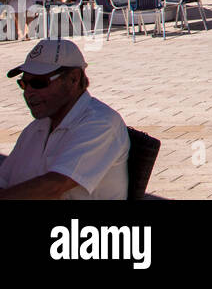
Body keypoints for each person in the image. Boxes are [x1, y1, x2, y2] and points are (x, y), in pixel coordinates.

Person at [0, 39, 129, 199]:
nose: (28, 92)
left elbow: (54, 186)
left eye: (39, 83)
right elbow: (5, 178)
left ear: (73, 79)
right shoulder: (37, 127)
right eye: (24, 84)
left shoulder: (101, 123)